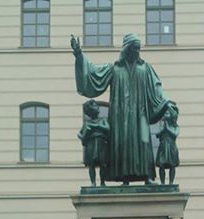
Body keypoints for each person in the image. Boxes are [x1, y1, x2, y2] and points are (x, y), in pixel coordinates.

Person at [71, 33, 174, 184]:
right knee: (123, 143)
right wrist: (79, 54)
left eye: (139, 49)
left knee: (143, 141)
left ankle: (147, 177)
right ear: (127, 49)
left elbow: (157, 89)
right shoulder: (114, 69)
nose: (137, 52)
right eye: (134, 48)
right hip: (121, 117)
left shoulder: (145, 68)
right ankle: (124, 177)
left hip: (141, 114)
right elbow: (93, 74)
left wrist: (166, 103)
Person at [78, 100, 110, 186]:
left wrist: (94, 126)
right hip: (91, 143)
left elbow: (107, 128)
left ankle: (102, 182)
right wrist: (83, 136)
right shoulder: (87, 123)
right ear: (91, 110)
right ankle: (93, 182)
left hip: (101, 142)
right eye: (95, 106)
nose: (98, 107)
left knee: (103, 163)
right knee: (91, 164)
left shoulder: (102, 120)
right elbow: (80, 134)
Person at [155, 105, 180, 184]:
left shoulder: (175, 126)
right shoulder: (162, 125)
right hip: (163, 146)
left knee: (172, 165)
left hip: (171, 147)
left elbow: (175, 134)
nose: (165, 114)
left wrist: (167, 129)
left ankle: (171, 182)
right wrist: (163, 129)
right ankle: (162, 182)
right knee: (161, 165)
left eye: (167, 113)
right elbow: (157, 135)